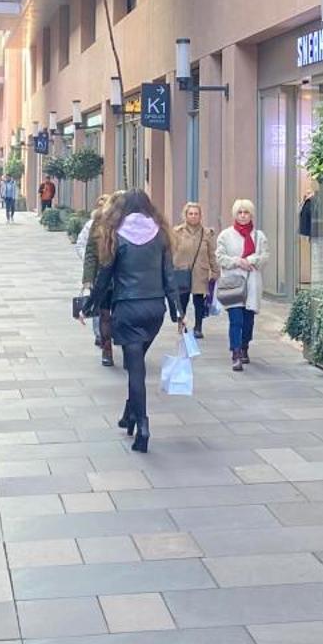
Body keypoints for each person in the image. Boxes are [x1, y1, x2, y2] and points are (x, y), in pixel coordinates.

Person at [87, 190, 184, 453]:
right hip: (155, 309)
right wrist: (177, 309)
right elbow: (169, 275)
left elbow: (105, 275)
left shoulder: (116, 234)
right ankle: (129, 414)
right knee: (136, 363)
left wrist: (90, 304)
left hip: (128, 308)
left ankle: (143, 425)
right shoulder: (161, 233)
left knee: (136, 371)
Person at [216, 197, 269, 370]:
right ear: (235, 214)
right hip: (233, 282)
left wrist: (252, 259)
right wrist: (237, 261)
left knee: (248, 321)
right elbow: (220, 258)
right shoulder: (225, 235)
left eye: (246, 212)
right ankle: (236, 352)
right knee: (235, 319)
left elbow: (265, 257)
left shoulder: (259, 236)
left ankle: (245, 346)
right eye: (240, 212)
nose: (243, 216)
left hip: (252, 282)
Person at [78, 194, 116, 366]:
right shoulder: (97, 224)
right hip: (103, 278)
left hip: (124, 279)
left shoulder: (127, 225)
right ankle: (107, 348)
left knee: (122, 315)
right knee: (104, 315)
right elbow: (90, 255)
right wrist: (88, 281)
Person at [172, 202, 218, 338]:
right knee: (182, 300)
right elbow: (170, 252)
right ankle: (182, 325)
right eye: (190, 213)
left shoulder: (207, 233)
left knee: (199, 301)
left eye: (196, 214)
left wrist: (215, 271)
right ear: (185, 215)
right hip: (182, 271)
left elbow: (212, 254)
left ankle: (198, 327)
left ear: (200, 216)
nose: (193, 216)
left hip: (200, 271)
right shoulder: (176, 232)